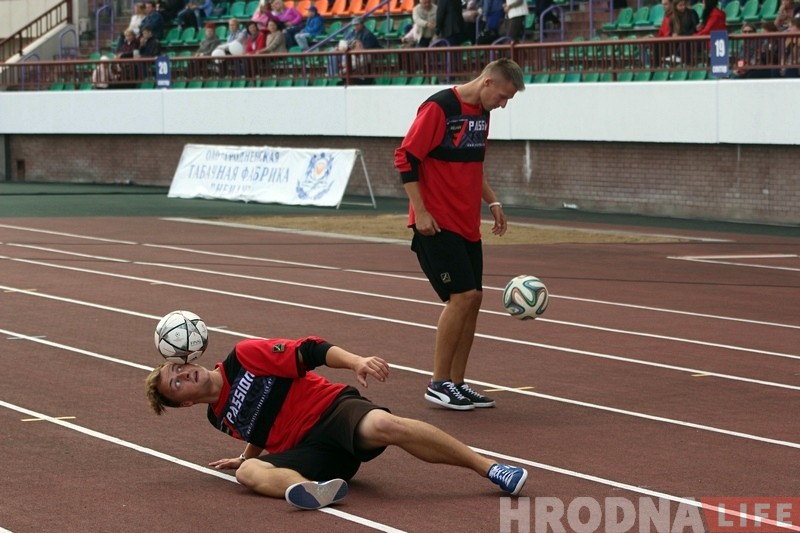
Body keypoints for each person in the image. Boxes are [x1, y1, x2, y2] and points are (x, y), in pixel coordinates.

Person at [145, 335, 529, 510]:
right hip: (312, 456)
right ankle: (313, 491)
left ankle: (492, 468)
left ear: (193, 361)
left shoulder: (243, 357)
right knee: (246, 474)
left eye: (180, 368)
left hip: (332, 412)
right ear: (185, 403)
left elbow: (311, 350)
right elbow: (261, 429)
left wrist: (357, 361)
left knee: (385, 427)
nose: (183, 375)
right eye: (175, 383)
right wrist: (246, 455)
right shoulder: (218, 418)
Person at [393, 59, 524, 410]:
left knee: (475, 299)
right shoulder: (440, 107)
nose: (503, 103)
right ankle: (438, 383)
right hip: (436, 223)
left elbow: (473, 164)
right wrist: (420, 212)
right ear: (487, 82)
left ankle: (457, 382)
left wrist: (493, 202)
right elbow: (406, 157)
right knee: (462, 296)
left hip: (467, 223)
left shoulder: (482, 114)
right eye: (503, 96)